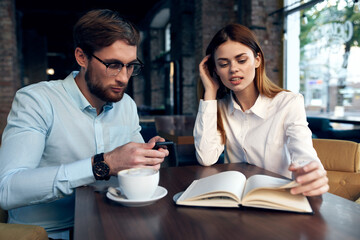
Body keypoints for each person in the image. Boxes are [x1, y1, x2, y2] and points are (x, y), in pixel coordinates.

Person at [0, 9, 168, 239]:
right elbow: (7, 189)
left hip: (114, 224)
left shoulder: (126, 104)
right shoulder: (37, 101)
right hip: (47, 233)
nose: (124, 77)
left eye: (130, 66)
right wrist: (103, 164)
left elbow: (132, 170)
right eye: (114, 65)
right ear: (82, 57)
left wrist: (147, 157)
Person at [194, 23, 329, 197]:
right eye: (223, 64)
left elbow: (303, 153)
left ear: (257, 60)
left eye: (241, 60)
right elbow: (206, 157)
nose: (233, 69)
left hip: (279, 197)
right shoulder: (219, 107)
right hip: (237, 198)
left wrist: (310, 172)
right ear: (215, 70)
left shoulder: (289, 103)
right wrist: (210, 92)